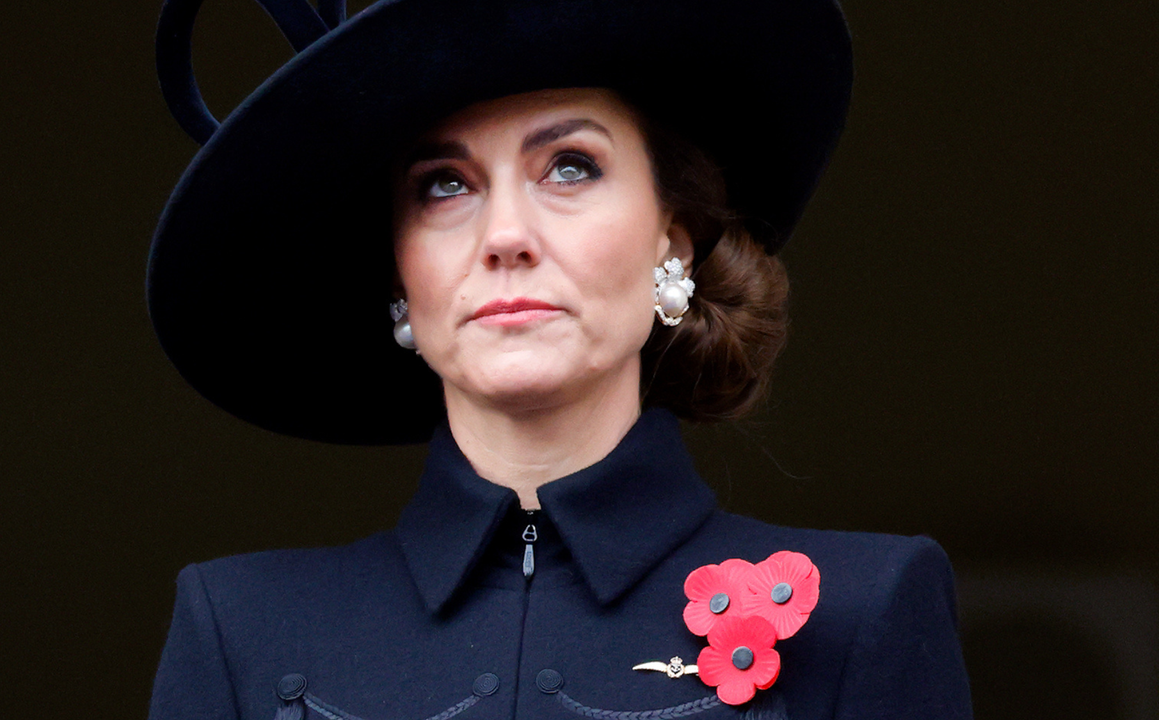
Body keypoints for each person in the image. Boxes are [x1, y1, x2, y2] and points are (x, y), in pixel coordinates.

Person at [146, 0, 973, 718]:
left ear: (672, 241)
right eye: (444, 185)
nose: (505, 236)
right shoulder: (241, 628)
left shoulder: (863, 609)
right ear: (399, 274)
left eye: (569, 167)